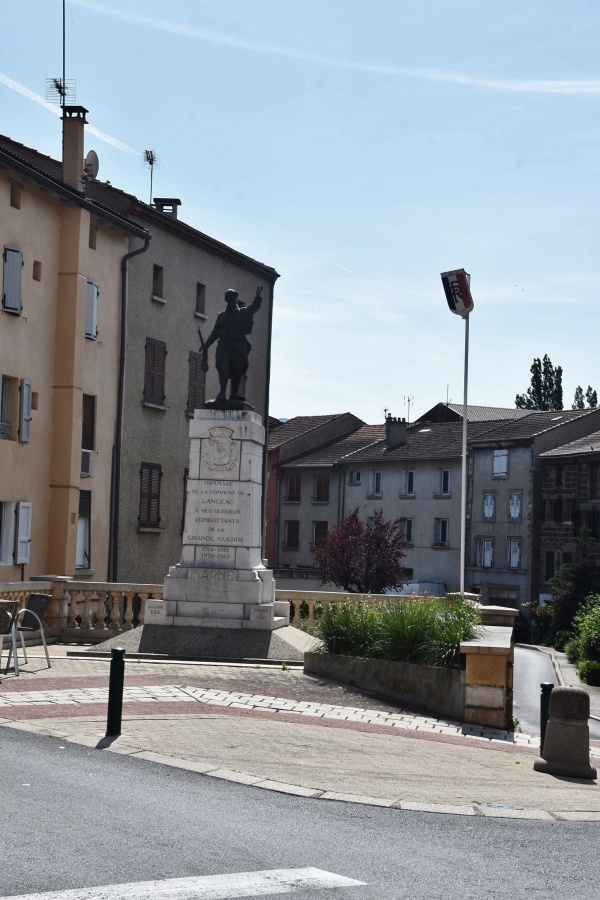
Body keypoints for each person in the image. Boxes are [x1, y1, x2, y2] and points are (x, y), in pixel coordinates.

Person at [202, 286, 263, 401]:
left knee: (238, 370)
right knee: (223, 368)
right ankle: (222, 393)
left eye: (234, 297)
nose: (233, 299)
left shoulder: (242, 312)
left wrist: (257, 298)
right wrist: (206, 345)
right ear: (227, 300)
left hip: (238, 345)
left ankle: (234, 393)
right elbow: (214, 333)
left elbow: (253, 308)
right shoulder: (221, 316)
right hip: (224, 345)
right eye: (230, 297)